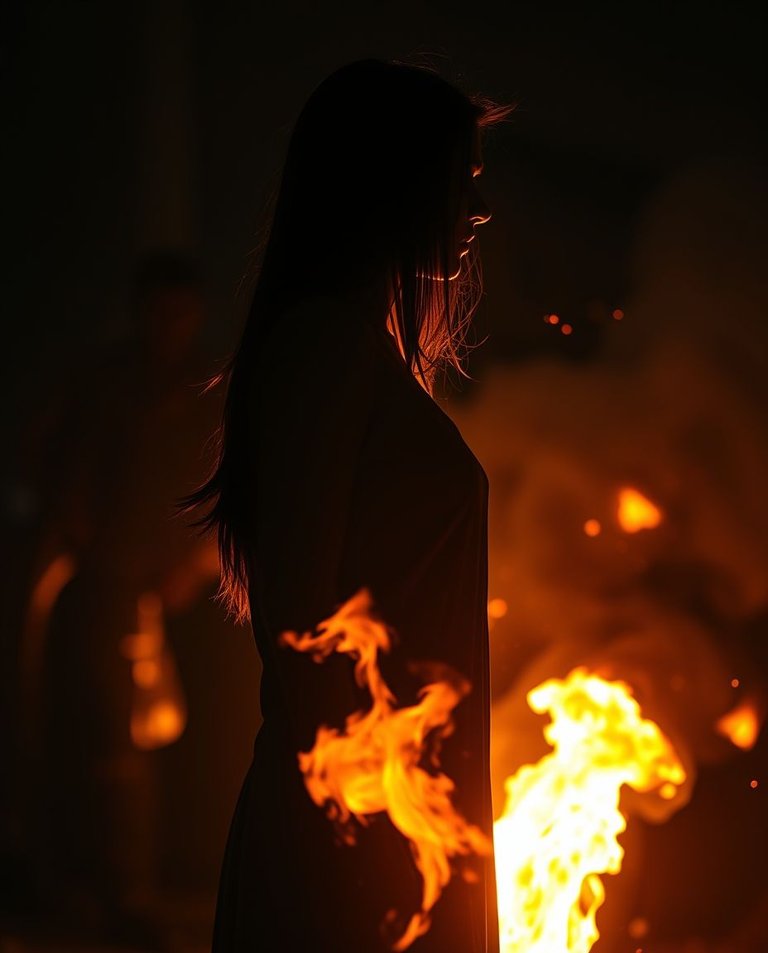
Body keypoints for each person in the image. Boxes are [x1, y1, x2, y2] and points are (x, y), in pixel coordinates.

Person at [182, 58, 512, 953]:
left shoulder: (359, 355)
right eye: (457, 184)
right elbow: (304, 630)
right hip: (355, 840)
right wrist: (380, 835)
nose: (471, 212)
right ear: (392, 187)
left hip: (400, 820)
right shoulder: (324, 351)